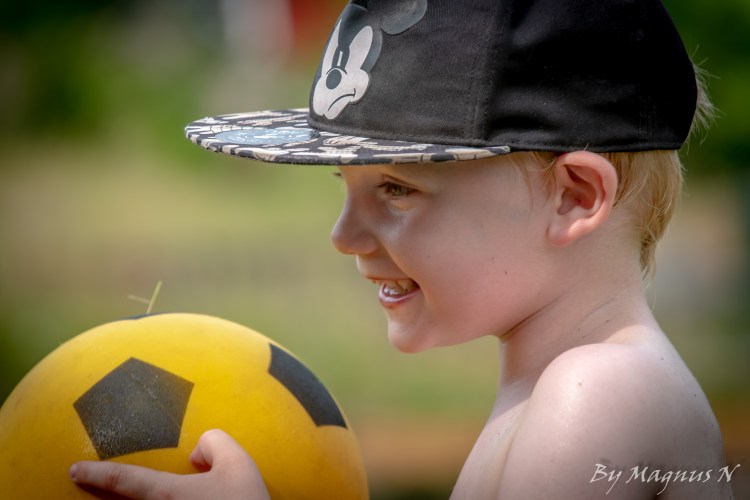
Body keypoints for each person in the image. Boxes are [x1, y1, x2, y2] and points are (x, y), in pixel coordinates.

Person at [70, 0, 734, 498]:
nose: (343, 237)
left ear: (575, 197)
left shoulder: (597, 395)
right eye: (346, 185)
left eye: (397, 189)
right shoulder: (563, 391)